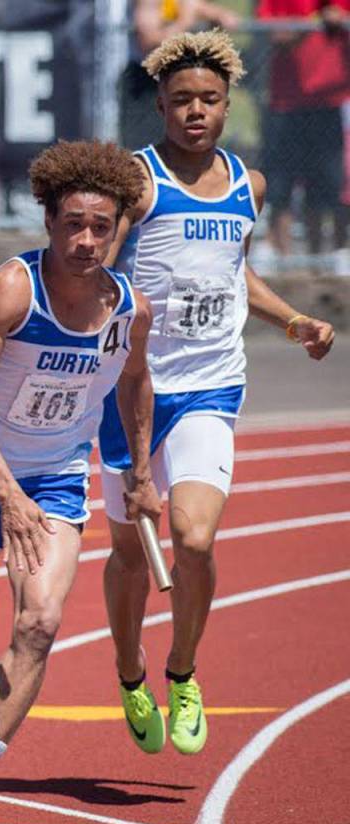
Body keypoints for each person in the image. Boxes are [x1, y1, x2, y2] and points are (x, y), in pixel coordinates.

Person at [99, 30, 335, 759]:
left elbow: (236, 275)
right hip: (132, 391)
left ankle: (182, 672)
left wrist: (293, 320)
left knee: (195, 539)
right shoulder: (138, 181)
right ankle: (130, 670)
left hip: (210, 384)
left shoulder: (247, 185)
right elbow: (97, 272)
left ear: (229, 105)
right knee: (129, 556)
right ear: (161, 108)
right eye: (181, 101)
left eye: (208, 99)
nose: (195, 111)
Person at [0, 140, 159, 824]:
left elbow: (135, 384)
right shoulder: (12, 291)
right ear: (50, 221)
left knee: (40, 623)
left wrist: (140, 474)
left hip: (56, 477)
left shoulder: (129, 310)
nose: (87, 240)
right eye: (74, 225)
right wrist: (6, 495)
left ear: (118, 230)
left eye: (101, 227)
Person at [257, 0, 349, 257]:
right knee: (281, 184)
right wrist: (312, 22)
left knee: (327, 184)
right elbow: (273, 33)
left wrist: (339, 20)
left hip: (329, 102)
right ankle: (283, 256)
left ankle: (325, 256)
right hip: (286, 104)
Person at [120, 0, 241, 149]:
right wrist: (185, 21)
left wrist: (218, 15)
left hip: (183, 79)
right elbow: (148, 41)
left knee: (190, 149)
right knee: (147, 150)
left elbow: (201, 8)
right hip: (146, 83)